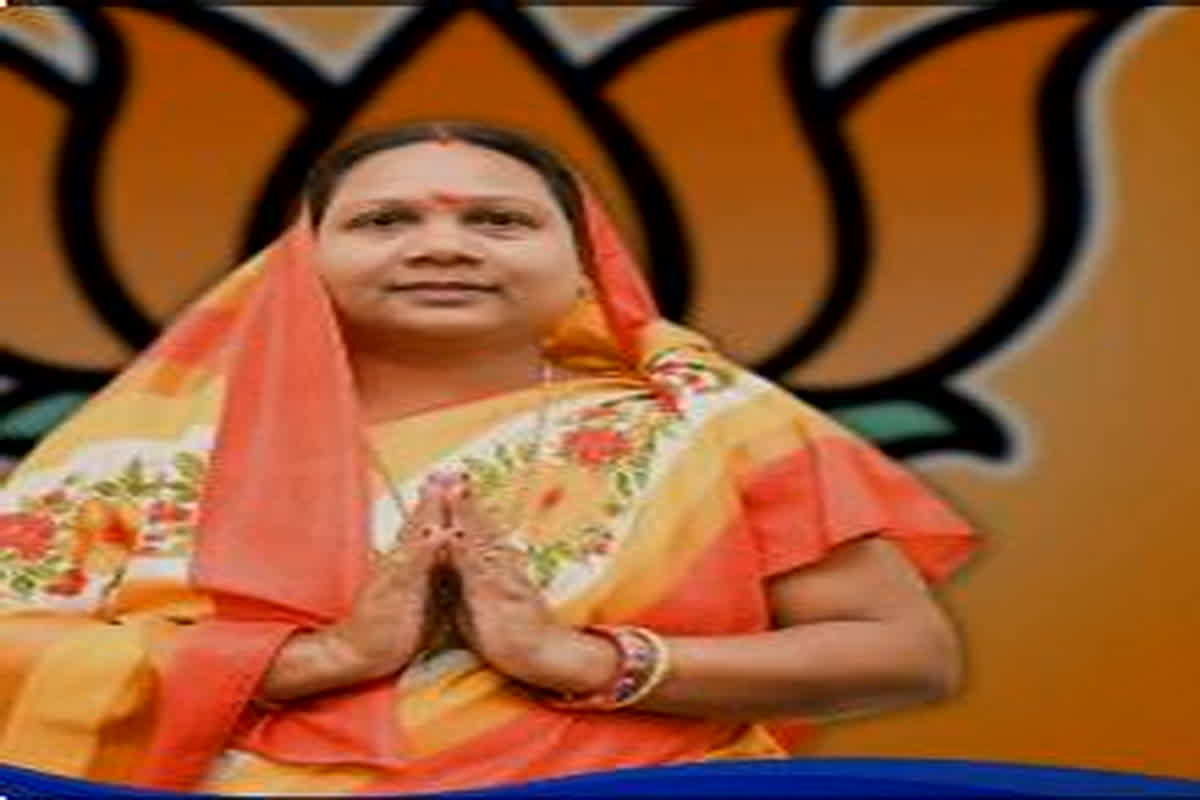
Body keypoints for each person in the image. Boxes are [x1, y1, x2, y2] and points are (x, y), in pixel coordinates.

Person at [0, 122, 976, 795]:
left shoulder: (709, 423)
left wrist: (583, 660)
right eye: (384, 220)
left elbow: (905, 654)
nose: (444, 246)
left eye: (499, 220)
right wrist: (317, 660)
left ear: (584, 261)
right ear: (302, 261)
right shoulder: (155, 450)